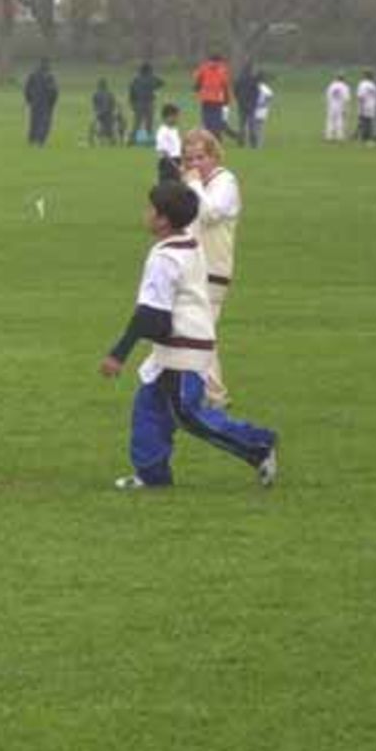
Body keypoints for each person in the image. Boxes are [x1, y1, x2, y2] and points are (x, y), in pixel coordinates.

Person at [99, 181, 278, 490]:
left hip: (184, 348)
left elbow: (150, 315)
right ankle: (152, 475)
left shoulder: (165, 258)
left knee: (188, 414)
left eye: (151, 209)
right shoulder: (188, 241)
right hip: (176, 347)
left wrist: (119, 353)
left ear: (163, 219)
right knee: (149, 408)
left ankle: (259, 444)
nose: (146, 213)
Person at [182, 129, 239, 408]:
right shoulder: (195, 185)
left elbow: (210, 213)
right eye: (189, 159)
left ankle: (214, 395)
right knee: (193, 330)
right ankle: (207, 392)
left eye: (200, 158)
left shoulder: (225, 181)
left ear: (215, 156)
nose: (195, 165)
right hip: (192, 269)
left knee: (200, 331)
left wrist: (192, 185)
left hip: (213, 270)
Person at [193, 53, 235, 140]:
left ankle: (209, 137)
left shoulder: (203, 68)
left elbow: (197, 81)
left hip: (205, 98)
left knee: (207, 119)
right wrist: (227, 100)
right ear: (219, 61)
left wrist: (197, 90)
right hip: (217, 99)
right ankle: (216, 137)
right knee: (217, 119)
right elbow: (225, 85)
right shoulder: (222, 70)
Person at [23, 58, 59, 146]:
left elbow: (27, 89)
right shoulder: (50, 76)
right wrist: (52, 102)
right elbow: (54, 91)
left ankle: (32, 139)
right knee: (44, 122)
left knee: (34, 121)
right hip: (46, 103)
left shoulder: (32, 75)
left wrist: (29, 100)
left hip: (35, 102)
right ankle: (41, 140)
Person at [128, 62, 165, 143]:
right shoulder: (151, 78)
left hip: (138, 103)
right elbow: (162, 83)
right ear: (149, 70)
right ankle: (149, 140)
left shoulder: (135, 79)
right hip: (149, 102)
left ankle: (131, 140)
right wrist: (154, 87)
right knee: (149, 122)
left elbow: (131, 92)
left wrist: (132, 103)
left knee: (136, 123)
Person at [154, 104, 182, 182]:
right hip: (168, 163)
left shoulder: (174, 130)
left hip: (177, 160)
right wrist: (175, 166)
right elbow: (163, 151)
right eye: (176, 116)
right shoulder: (162, 131)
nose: (177, 119)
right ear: (169, 117)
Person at [233, 62, 259, 144]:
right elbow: (256, 92)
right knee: (252, 124)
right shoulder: (253, 79)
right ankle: (253, 142)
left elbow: (235, 91)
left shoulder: (239, 78)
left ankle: (240, 141)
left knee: (241, 124)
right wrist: (254, 102)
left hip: (241, 104)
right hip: (251, 104)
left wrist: (238, 100)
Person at [248, 74, 273, 149]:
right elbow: (270, 96)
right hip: (263, 110)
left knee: (255, 127)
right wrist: (266, 104)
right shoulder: (266, 88)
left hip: (257, 109)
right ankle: (259, 144)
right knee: (260, 128)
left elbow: (269, 97)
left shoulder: (258, 87)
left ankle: (256, 144)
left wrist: (262, 103)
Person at [325, 73, 351, 142]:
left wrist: (329, 104)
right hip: (340, 105)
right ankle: (339, 136)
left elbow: (328, 96)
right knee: (340, 120)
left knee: (330, 120)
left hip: (331, 105)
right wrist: (346, 108)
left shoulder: (331, 85)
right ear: (343, 79)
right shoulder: (345, 86)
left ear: (336, 78)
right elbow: (346, 98)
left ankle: (329, 136)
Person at [92, 79, 119, 145]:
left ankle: (102, 140)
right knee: (109, 127)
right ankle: (112, 140)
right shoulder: (110, 94)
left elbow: (94, 104)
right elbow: (113, 103)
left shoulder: (96, 94)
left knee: (101, 126)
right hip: (109, 113)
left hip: (100, 113)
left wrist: (97, 111)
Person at [355, 70, 376, 144]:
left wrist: (360, 106)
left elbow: (360, 96)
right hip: (373, 104)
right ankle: (370, 135)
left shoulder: (363, 84)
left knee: (363, 120)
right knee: (370, 120)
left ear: (365, 76)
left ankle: (364, 136)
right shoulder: (373, 85)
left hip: (365, 104)